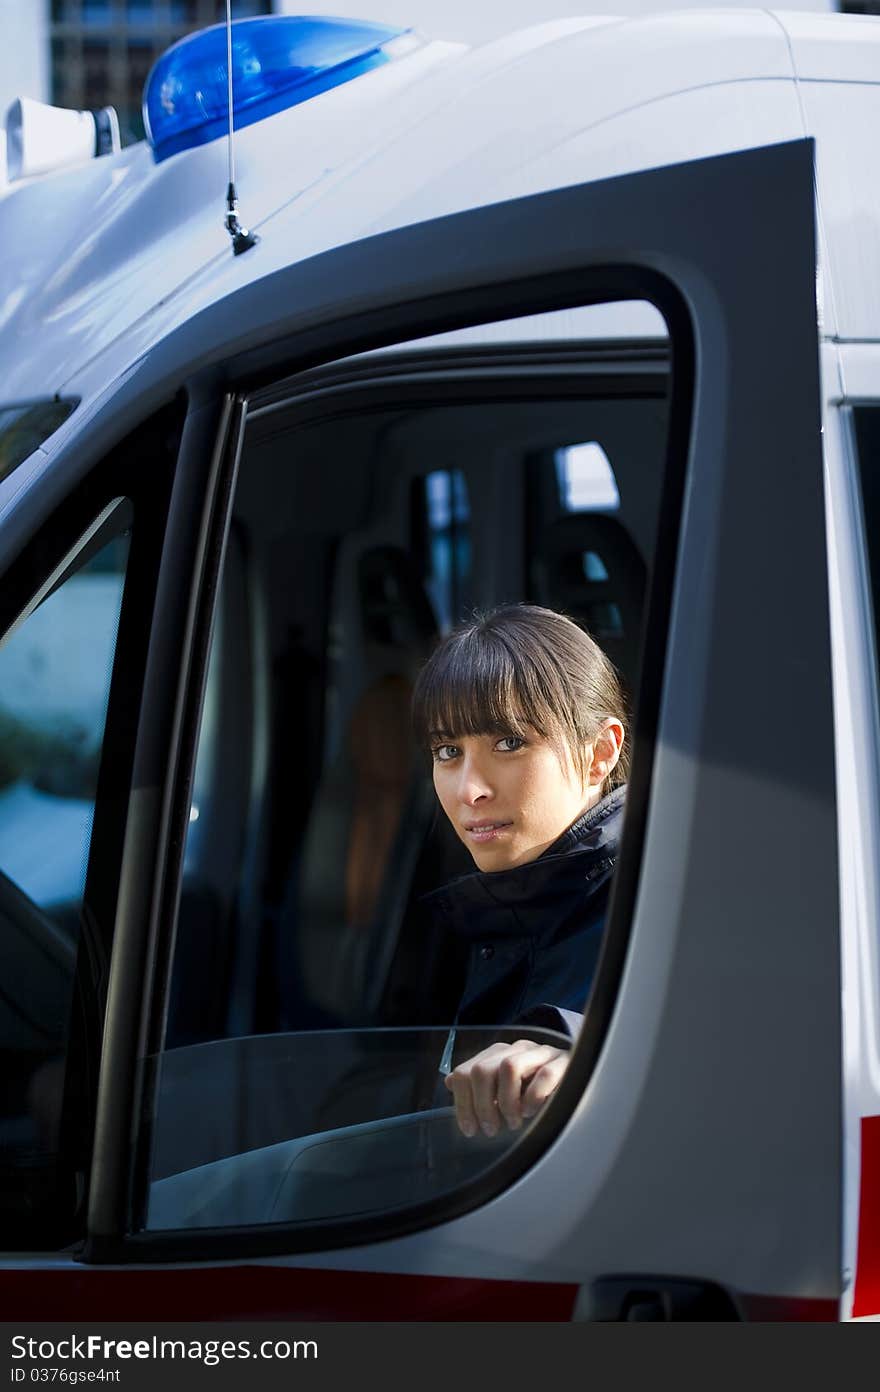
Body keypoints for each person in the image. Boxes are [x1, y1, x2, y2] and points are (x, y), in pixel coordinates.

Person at [411, 603, 627, 1139]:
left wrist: (580, 1058)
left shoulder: (661, 901)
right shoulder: (486, 909)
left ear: (600, 753)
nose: (469, 789)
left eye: (509, 743)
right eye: (447, 751)